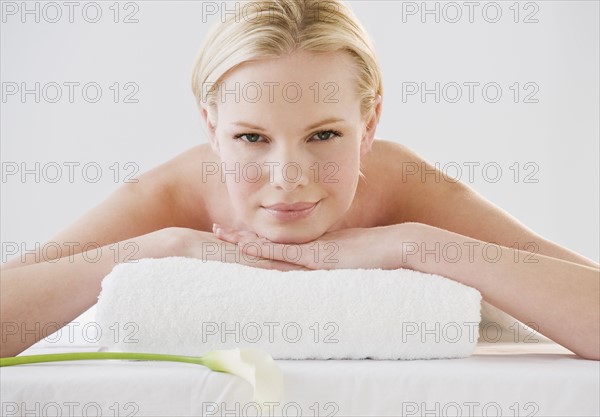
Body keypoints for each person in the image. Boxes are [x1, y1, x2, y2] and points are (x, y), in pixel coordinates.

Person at [1, 0, 598, 360]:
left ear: (370, 123)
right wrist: (163, 248)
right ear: (211, 128)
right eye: (251, 138)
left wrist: (411, 243)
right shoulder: (167, 198)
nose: (288, 179)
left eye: (323, 136)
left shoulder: (402, 182)